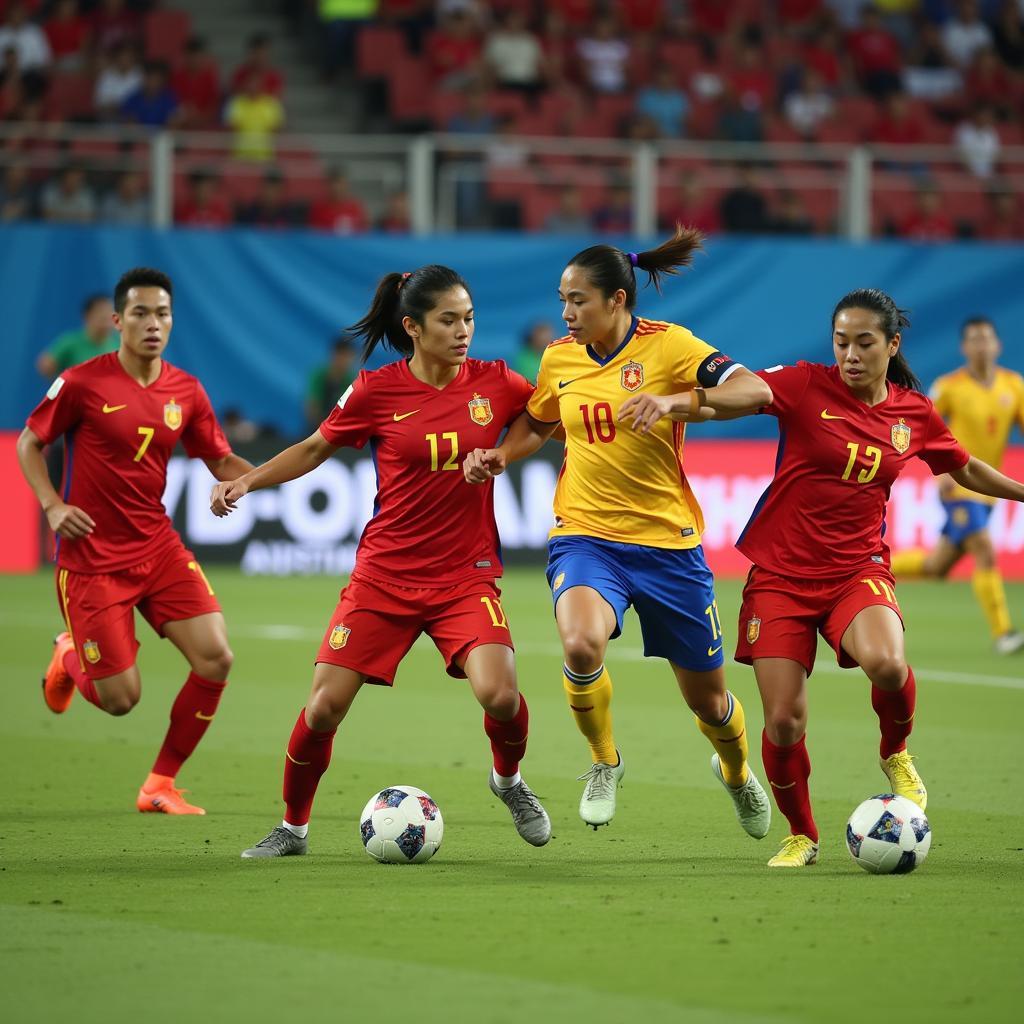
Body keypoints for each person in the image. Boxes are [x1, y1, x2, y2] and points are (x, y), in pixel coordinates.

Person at [211, 264, 551, 858]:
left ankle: (509, 781)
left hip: (463, 577)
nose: (463, 330)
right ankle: (293, 828)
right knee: (323, 708)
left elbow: (541, 423)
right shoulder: (375, 389)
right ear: (413, 327)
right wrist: (249, 483)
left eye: (469, 318)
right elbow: (317, 446)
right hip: (384, 576)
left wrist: (500, 453)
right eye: (448, 320)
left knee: (500, 695)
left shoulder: (497, 381)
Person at [463, 228, 773, 841]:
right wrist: (502, 455)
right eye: (562, 299)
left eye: (578, 300)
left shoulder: (671, 347)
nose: (566, 313)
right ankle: (604, 760)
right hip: (585, 535)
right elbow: (536, 421)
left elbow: (755, 391)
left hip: (668, 544)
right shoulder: (559, 358)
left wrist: (677, 401)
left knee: (710, 704)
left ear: (618, 300)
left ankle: (737, 773)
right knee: (581, 646)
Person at [733, 289, 1024, 868]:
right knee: (785, 721)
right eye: (841, 342)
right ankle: (802, 834)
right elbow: (741, 396)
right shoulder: (803, 385)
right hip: (780, 579)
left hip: (855, 570)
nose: (850, 354)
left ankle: (896, 752)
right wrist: (681, 402)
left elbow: (962, 465)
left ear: (892, 344)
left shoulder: (913, 412)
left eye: (864, 342)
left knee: (888, 663)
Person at [17, 267, 253, 815]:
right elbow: (30, 442)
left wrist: (274, 474)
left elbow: (219, 459)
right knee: (121, 700)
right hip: (92, 562)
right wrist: (52, 505)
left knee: (216, 657)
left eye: (163, 314)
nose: (154, 323)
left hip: (158, 548)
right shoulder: (81, 382)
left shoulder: (185, 390)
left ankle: (159, 786)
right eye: (142, 313)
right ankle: (68, 652)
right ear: (117, 321)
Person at [891, 317, 1024, 654]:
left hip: (989, 490)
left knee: (938, 566)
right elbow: (923, 428)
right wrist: (941, 475)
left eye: (987, 339)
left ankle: (876, 565)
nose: (981, 345)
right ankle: (1004, 633)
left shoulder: (1014, 386)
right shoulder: (949, 387)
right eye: (974, 340)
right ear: (965, 348)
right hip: (959, 485)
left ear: (998, 345)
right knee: (984, 548)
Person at [37, 293, 119, 379]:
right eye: (101, 312)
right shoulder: (70, 342)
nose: (106, 316)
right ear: (87, 315)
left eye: (110, 311)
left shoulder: (120, 343)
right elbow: (45, 365)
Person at [304, 335, 358, 430]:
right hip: (317, 430)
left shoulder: (353, 381)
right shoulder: (319, 376)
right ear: (334, 355)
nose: (346, 361)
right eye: (343, 355)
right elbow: (311, 409)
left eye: (349, 356)